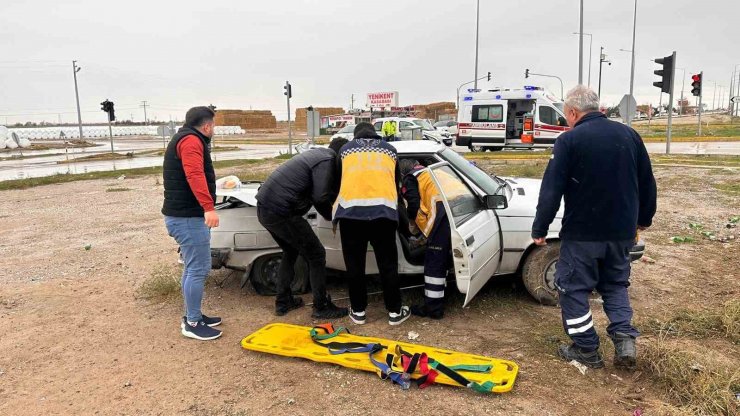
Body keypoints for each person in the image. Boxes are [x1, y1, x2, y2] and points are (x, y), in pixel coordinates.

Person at [531, 85, 657, 369]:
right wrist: (644, 220)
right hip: (621, 233)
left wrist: (540, 227)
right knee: (614, 285)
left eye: (566, 116)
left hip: (583, 234)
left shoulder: (569, 141)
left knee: (572, 288)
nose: (567, 121)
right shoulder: (629, 135)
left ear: (573, 112)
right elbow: (648, 183)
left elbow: (551, 190)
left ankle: (586, 348)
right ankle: (625, 339)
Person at [255, 138, 350, 318]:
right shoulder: (327, 160)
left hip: (265, 207)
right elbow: (320, 196)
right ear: (340, 155)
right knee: (316, 255)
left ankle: (283, 302)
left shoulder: (317, 155)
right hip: (282, 211)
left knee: (290, 251)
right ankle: (321, 307)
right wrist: (333, 216)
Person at [334, 122, 410, 326]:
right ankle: (395, 312)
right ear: (375, 135)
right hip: (382, 215)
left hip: (351, 217)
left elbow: (338, 181)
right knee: (388, 265)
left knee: (354, 266)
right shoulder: (390, 150)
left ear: (356, 135)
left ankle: (358, 312)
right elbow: (396, 184)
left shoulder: (345, 150)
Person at [162, 106, 222, 341]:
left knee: (193, 267)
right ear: (207, 126)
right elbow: (194, 174)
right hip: (187, 217)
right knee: (198, 269)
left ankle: (193, 315)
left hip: (184, 215)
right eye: (213, 125)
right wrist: (208, 207)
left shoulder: (187, 138)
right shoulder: (191, 142)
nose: (214, 129)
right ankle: (193, 323)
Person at [399, 159, 452, 320]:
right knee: (442, 259)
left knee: (434, 264)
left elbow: (414, 205)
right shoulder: (431, 171)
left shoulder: (410, 177)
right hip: (454, 211)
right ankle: (441, 296)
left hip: (440, 216)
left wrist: (414, 228)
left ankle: (433, 309)